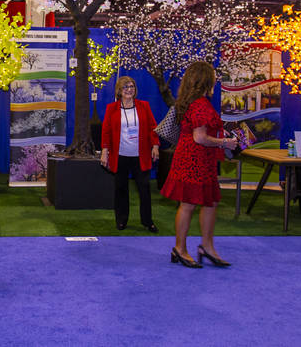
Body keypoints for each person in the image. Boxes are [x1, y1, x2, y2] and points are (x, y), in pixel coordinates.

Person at [160, 61, 236, 269]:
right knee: (190, 204)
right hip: (195, 160)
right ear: (206, 80)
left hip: (196, 159)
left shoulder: (189, 102)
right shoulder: (201, 104)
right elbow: (200, 137)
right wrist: (225, 142)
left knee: (209, 202)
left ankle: (205, 247)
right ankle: (181, 249)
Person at [99, 76, 160, 232]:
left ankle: (148, 221)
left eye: (131, 86)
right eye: (125, 87)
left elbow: (153, 127)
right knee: (121, 189)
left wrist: (155, 146)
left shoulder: (144, 106)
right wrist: (104, 152)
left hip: (140, 155)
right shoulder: (111, 108)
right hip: (120, 155)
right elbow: (106, 131)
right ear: (119, 90)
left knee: (144, 189)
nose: (129, 89)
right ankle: (121, 220)